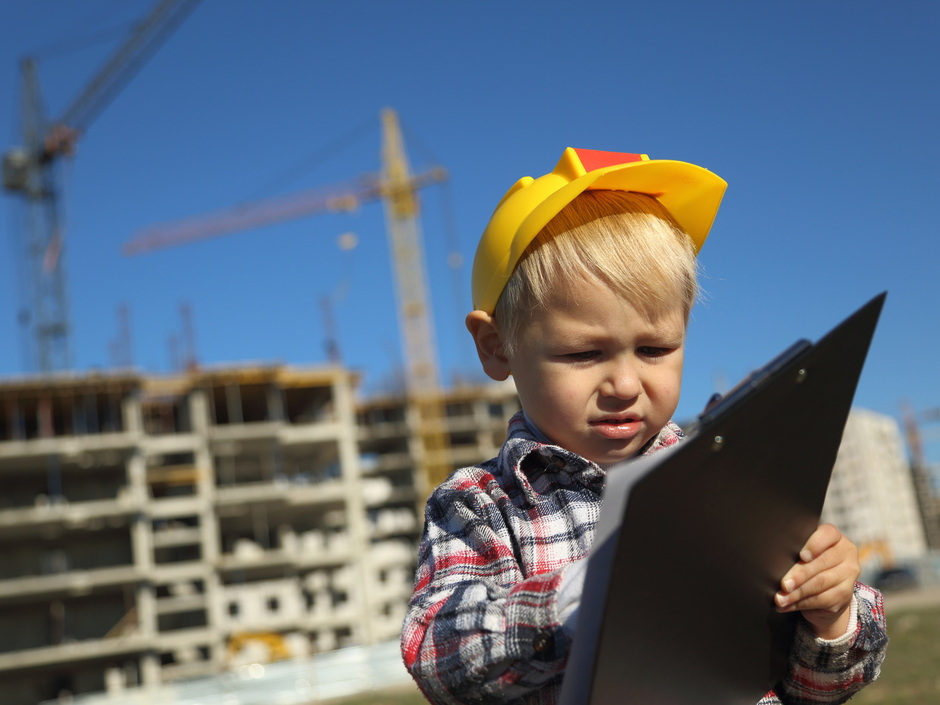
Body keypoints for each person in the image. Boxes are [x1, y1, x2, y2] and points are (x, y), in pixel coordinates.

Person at [400, 148, 888, 705]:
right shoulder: (480, 504)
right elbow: (436, 658)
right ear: (496, 347)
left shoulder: (725, 477)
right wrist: (585, 596)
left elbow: (818, 690)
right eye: (585, 353)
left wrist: (831, 614)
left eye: (655, 349)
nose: (625, 385)